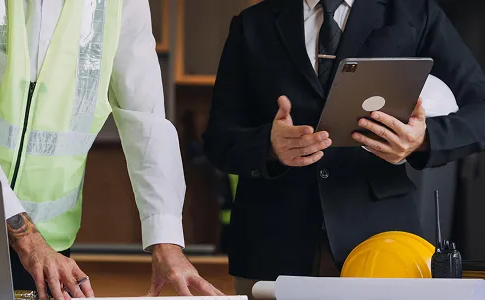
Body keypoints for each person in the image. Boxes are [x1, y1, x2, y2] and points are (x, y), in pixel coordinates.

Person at [202, 0, 485, 298]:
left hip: (384, 247)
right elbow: (219, 139)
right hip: (271, 247)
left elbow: (480, 109)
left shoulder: (415, 12)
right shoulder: (251, 24)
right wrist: (269, 146)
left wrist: (423, 139)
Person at [0, 1, 223, 299]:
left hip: (47, 250)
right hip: (20, 239)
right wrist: (27, 238)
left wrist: (166, 242)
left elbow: (147, 120)